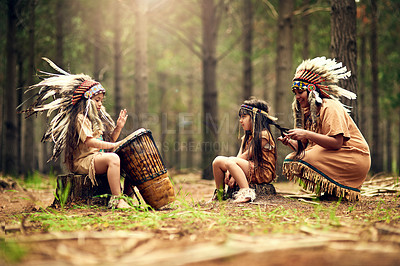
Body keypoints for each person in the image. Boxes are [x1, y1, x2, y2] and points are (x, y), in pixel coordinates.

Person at [22, 58, 133, 209]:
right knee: (113, 158)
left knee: (128, 158)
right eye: (97, 100)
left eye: (101, 100)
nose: (100, 104)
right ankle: (117, 199)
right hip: (84, 161)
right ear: (87, 100)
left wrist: (118, 128)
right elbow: (90, 142)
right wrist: (113, 145)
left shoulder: (96, 119)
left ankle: (127, 196)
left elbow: (105, 141)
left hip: (97, 157)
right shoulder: (80, 118)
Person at [278, 57, 371, 201]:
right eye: (294, 93)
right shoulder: (307, 112)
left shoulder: (329, 106)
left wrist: (306, 133)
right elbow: (306, 147)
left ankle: (339, 192)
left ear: (311, 91)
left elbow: (337, 143)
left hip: (354, 157)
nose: (297, 97)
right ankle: (332, 192)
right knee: (292, 159)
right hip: (334, 155)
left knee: (303, 158)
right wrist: (290, 142)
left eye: (300, 92)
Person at [210, 98, 284, 203]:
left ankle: (246, 192)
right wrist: (230, 171)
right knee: (218, 161)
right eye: (240, 117)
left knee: (230, 161)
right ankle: (220, 194)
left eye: (244, 117)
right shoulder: (246, 137)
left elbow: (245, 156)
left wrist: (230, 170)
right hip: (250, 167)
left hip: (262, 172)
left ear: (255, 118)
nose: (240, 120)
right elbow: (239, 156)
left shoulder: (263, 135)